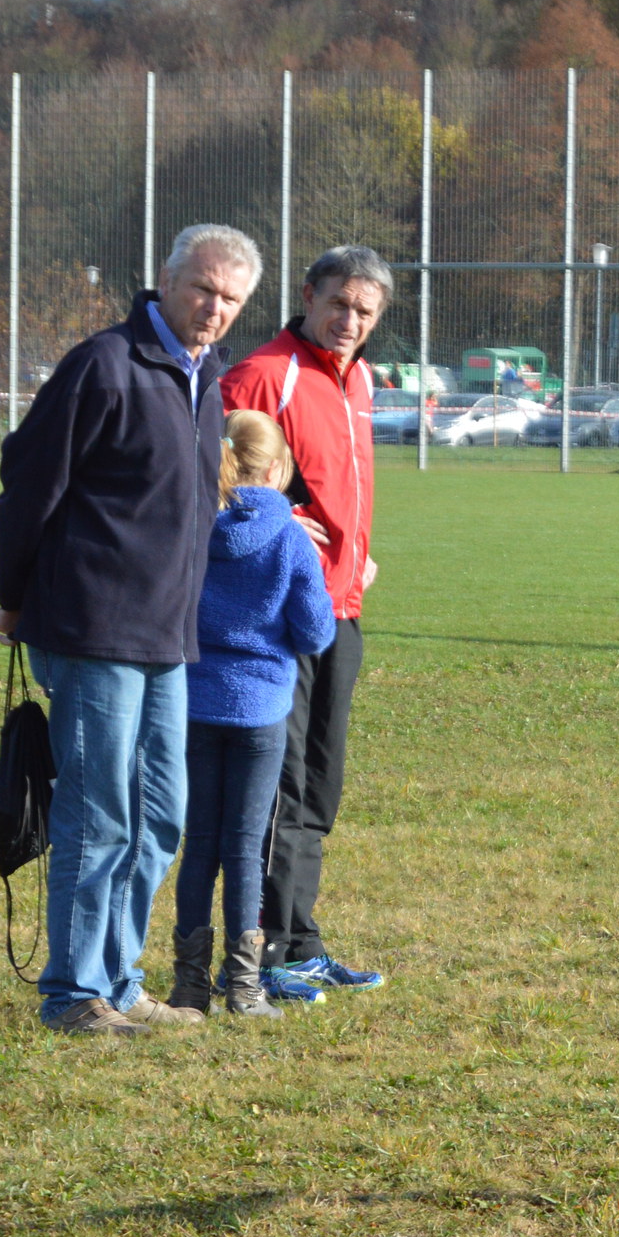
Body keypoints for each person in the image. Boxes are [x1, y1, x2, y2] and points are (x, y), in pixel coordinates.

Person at [0, 221, 261, 1035]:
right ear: (167, 281)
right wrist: (16, 594)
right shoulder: (103, 365)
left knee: (160, 816)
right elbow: (28, 482)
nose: (214, 308)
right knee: (99, 814)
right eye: (202, 288)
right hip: (93, 630)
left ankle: (118, 977)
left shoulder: (205, 381)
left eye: (231, 298)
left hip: (168, 640)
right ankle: (74, 994)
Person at [220, 245, 392, 1006]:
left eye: (365, 311)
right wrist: (275, 517)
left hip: (340, 609)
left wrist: (358, 557)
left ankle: (302, 942)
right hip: (276, 615)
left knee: (320, 784)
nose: (350, 320)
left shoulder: (359, 380)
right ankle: (266, 951)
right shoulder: (266, 372)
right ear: (309, 295)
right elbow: (202, 468)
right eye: (340, 303)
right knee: (281, 786)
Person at [169, 408, 337, 1019]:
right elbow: (315, 632)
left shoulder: (189, 525)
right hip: (261, 708)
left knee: (199, 843)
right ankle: (243, 987)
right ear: (275, 469)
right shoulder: (289, 536)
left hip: (195, 700)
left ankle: (189, 986)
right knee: (245, 846)